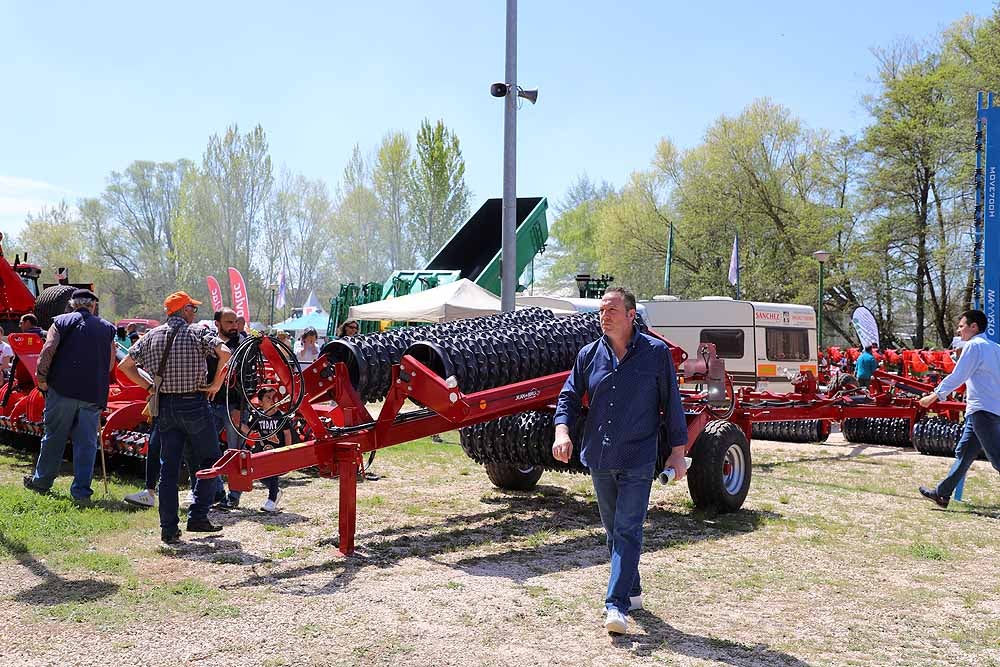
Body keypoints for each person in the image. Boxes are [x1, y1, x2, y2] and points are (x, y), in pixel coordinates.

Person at [552, 286, 687, 636]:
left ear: (631, 315)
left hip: (638, 457)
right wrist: (561, 432)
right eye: (601, 310)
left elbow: (672, 403)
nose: (604, 315)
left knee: (627, 530)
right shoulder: (587, 355)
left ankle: (616, 605)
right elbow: (567, 397)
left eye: (612, 309)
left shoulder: (655, 354)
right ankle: (634, 589)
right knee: (614, 532)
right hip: (599, 454)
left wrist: (677, 451)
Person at [118, 291, 231, 543]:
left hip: (165, 406)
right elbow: (226, 354)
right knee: (210, 460)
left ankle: (168, 529)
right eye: (193, 308)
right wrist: (214, 384)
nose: (195, 312)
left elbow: (125, 366)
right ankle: (198, 516)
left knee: (167, 469)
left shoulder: (152, 335)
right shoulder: (198, 332)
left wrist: (149, 387)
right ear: (185, 310)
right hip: (195, 404)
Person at [23, 289, 117, 503]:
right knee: (87, 444)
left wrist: (41, 378)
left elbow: (48, 351)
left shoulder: (61, 322)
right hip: (92, 394)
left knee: (54, 437)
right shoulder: (107, 328)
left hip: (62, 391)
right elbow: (111, 363)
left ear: (73, 304)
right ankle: (81, 493)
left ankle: (42, 482)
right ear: (93, 306)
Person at [918, 309, 1000, 508]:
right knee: (965, 452)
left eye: (962, 326)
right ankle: (942, 494)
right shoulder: (995, 347)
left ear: (974, 327)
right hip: (986, 410)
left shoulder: (973, 346)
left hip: (982, 411)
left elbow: (958, 376)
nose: (958, 330)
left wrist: (934, 396)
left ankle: (942, 493)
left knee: (998, 458)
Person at [240, 386, 295, 512]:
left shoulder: (280, 415)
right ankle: (275, 491)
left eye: (273, 397)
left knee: (273, 473)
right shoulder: (259, 416)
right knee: (260, 475)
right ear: (260, 402)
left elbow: (287, 433)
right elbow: (249, 430)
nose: (272, 400)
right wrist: (237, 423)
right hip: (262, 451)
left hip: (277, 450)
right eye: (268, 397)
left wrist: (288, 449)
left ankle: (271, 500)